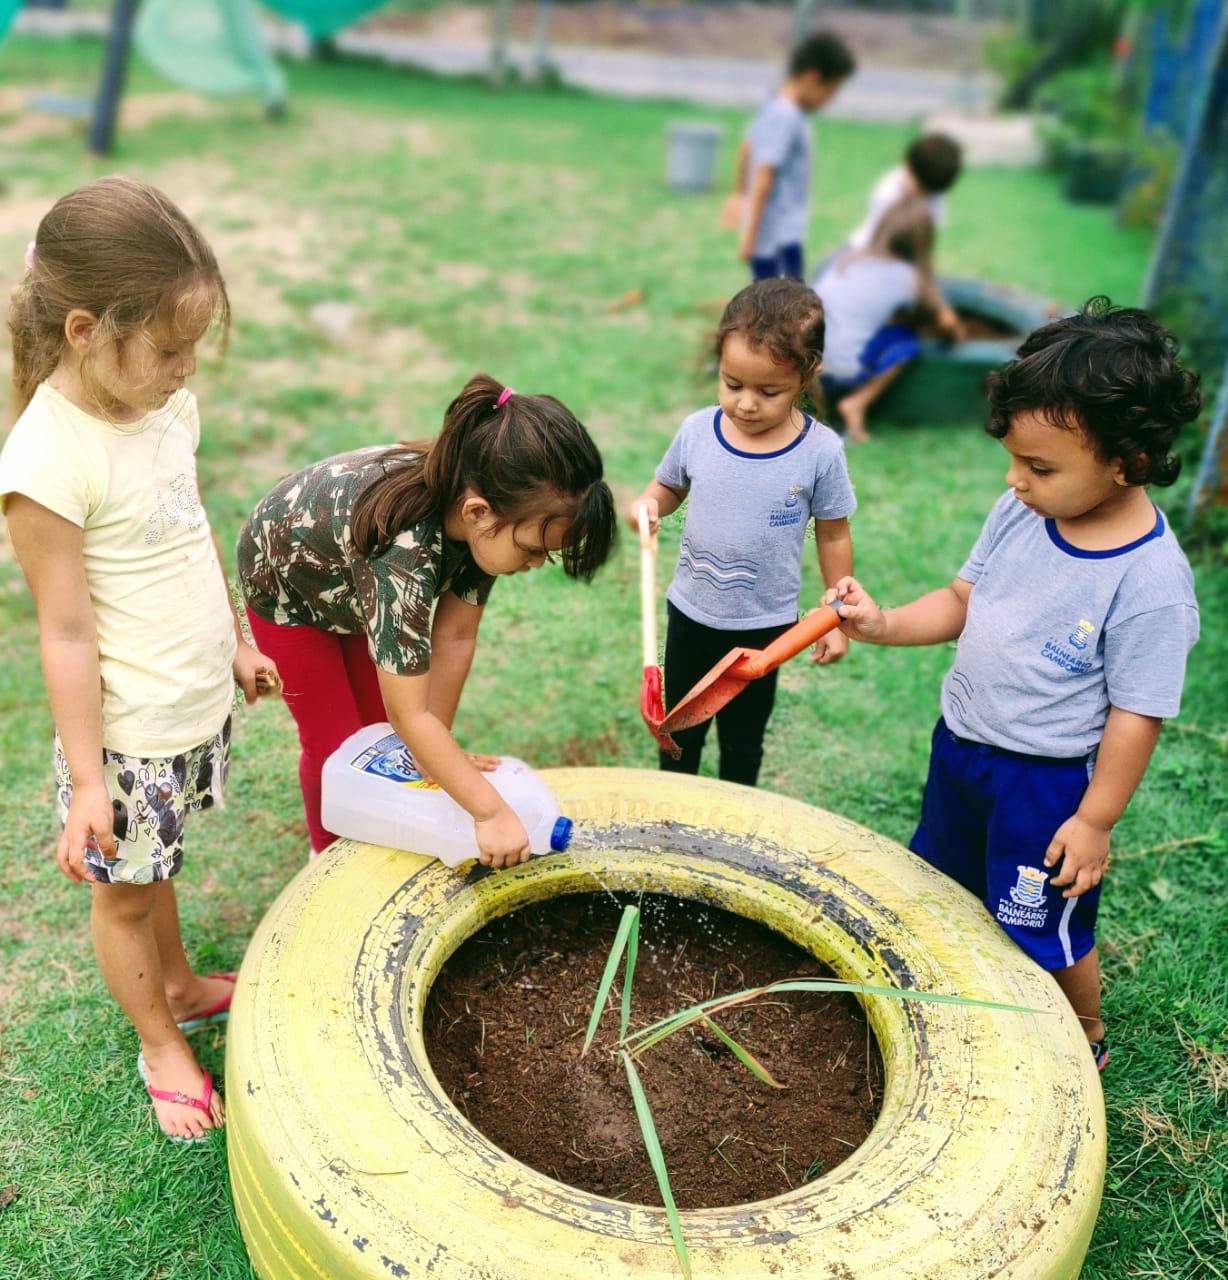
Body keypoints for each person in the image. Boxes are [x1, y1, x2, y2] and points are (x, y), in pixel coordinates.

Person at [830, 297, 1202, 1071]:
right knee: (942, 877)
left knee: (1043, 923)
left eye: (1038, 467)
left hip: (1045, 783)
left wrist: (1094, 821)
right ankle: (944, 998)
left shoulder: (1150, 580)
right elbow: (964, 601)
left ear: (1126, 462)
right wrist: (885, 622)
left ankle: (1085, 1038)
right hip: (963, 746)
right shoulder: (1019, 511)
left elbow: (1138, 715)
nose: (1015, 480)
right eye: (1013, 460)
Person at [0, 176, 280, 1141]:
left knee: (158, 870)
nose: (187, 367)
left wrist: (237, 639)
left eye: (194, 345)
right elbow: (66, 633)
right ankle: (159, 1039)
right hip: (127, 739)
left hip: (190, 705)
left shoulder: (164, 407)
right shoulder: (46, 462)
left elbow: (188, 526)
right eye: (169, 347)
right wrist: (87, 780)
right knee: (122, 897)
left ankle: (183, 982)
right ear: (84, 330)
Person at [237, 374, 616, 863]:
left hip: (356, 584)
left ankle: (371, 828)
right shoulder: (406, 556)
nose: (536, 563)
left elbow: (455, 638)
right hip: (287, 586)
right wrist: (489, 812)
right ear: (478, 512)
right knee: (337, 747)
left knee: (386, 742)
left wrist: (433, 756)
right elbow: (410, 713)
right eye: (533, 550)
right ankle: (326, 859)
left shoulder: (489, 520)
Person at [627, 277, 856, 786]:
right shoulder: (697, 432)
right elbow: (667, 487)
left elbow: (834, 532)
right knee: (679, 728)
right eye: (732, 384)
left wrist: (835, 614)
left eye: (767, 391)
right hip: (692, 612)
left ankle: (734, 819)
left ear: (807, 373)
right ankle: (673, 807)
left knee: (743, 738)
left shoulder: (820, 453)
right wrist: (648, 505)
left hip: (764, 630)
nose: (746, 404)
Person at [815, 195, 958, 443]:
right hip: (842, 373)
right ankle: (856, 404)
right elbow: (947, 324)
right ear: (924, 243)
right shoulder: (908, 278)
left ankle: (821, 406)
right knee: (907, 339)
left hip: (811, 368)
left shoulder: (848, 260)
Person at [722, 31, 856, 283]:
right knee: (786, 313)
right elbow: (764, 171)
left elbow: (748, 145)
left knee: (777, 308)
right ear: (812, 78)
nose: (830, 100)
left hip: (772, 237)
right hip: (778, 239)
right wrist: (750, 233)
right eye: (831, 91)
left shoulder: (773, 103)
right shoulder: (786, 116)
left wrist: (739, 193)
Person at [846, 132, 963, 253]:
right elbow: (879, 244)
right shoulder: (888, 193)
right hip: (863, 250)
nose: (902, 173)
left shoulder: (935, 202)